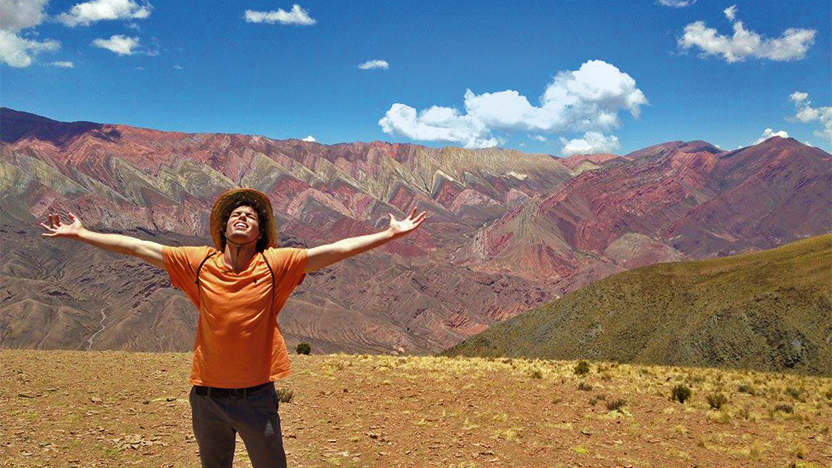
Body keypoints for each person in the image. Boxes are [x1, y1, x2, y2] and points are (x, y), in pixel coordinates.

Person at [39, 187, 427, 468]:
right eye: (235, 215)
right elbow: (138, 248)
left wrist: (389, 235)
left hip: (257, 398)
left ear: (259, 234)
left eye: (251, 217)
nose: (242, 217)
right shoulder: (198, 263)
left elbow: (334, 251)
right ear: (224, 229)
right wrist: (83, 234)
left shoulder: (276, 264)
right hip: (205, 398)